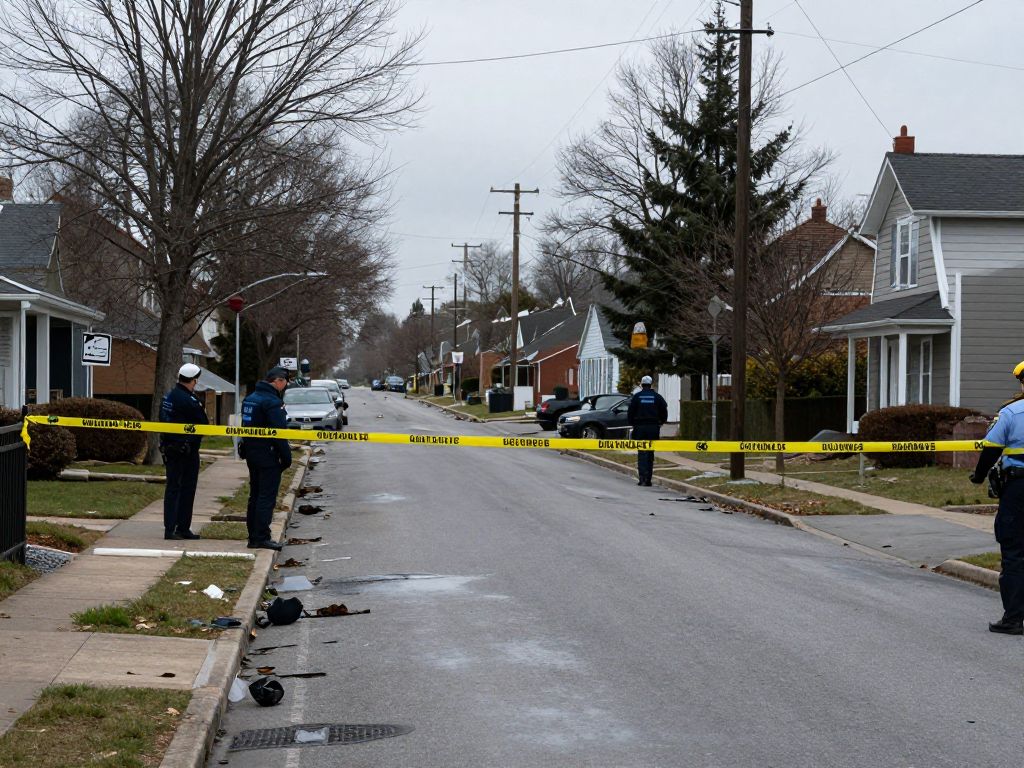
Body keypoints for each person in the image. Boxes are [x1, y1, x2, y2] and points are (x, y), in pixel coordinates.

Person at [969, 360, 1024, 635]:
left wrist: (979, 477)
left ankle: (1014, 619)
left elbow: (991, 449)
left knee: (1014, 551)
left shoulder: (1012, 412)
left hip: (1018, 489)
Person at [240, 367, 292, 551]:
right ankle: (261, 537)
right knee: (266, 497)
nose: (286, 386)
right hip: (268, 455)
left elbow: (244, 426)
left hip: (252, 454)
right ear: (278, 381)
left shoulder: (250, 398)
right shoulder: (272, 402)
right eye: (285, 382)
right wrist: (286, 458)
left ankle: (253, 537)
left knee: (255, 495)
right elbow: (279, 433)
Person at [159, 363, 209, 540]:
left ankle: (173, 527)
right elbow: (204, 424)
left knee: (173, 488)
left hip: (171, 448)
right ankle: (179, 528)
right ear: (193, 380)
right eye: (196, 380)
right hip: (185, 450)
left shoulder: (169, 396)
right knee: (186, 489)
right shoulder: (189, 400)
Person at [627, 375, 668, 487]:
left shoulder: (637, 397)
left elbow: (630, 412)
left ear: (641, 384)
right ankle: (648, 479)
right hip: (653, 428)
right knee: (650, 453)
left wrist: (633, 423)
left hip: (640, 428)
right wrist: (661, 422)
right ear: (651, 385)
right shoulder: (657, 397)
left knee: (641, 453)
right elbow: (664, 411)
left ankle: (642, 479)